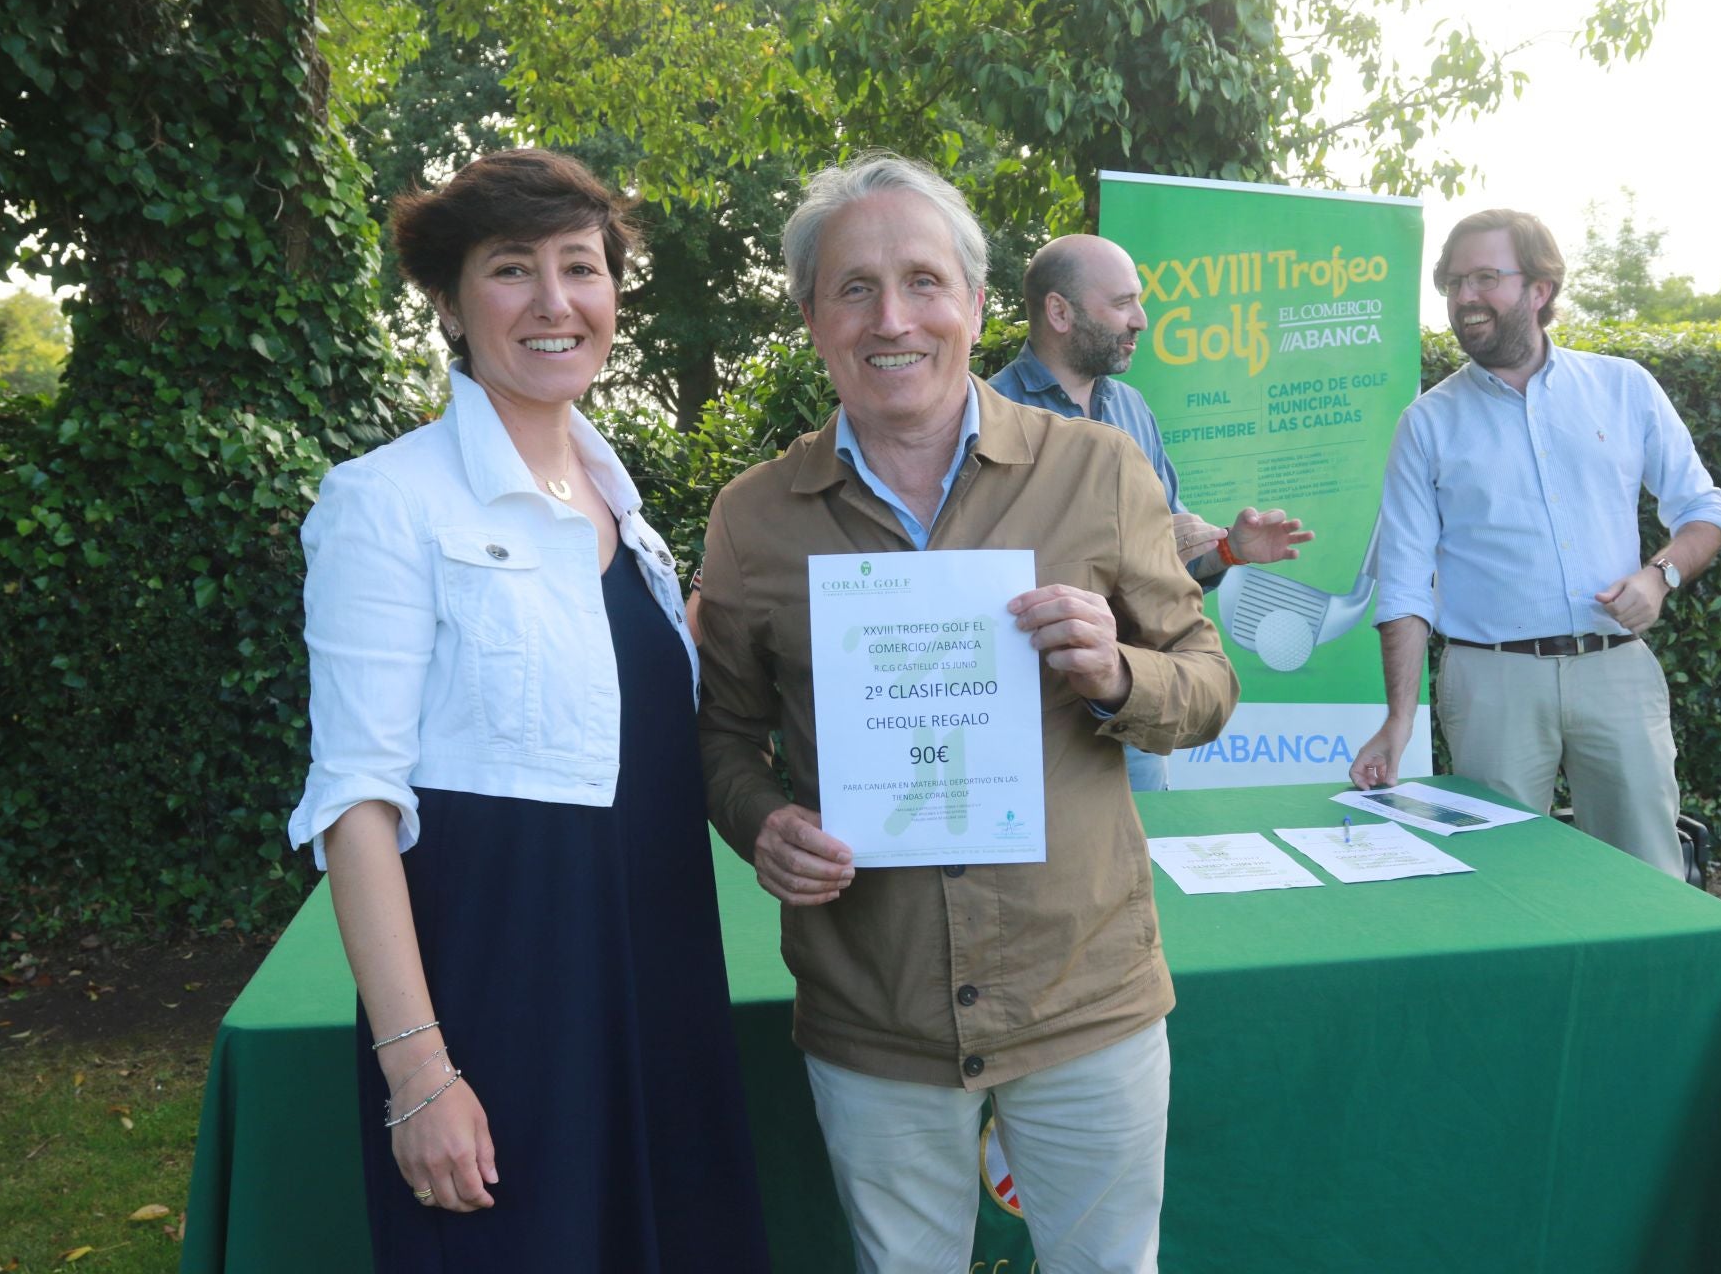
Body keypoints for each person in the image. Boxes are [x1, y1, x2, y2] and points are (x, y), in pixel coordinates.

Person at [694, 154, 1237, 1273]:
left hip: (1082, 990)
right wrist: (761, 823)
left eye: (925, 282)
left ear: (978, 304)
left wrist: (1119, 673)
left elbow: (1206, 679)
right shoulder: (754, 519)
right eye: (854, 288)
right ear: (811, 318)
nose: (893, 319)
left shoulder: (1099, 468)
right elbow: (720, 736)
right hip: (872, 1006)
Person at [286, 148, 768, 1270]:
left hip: (658, 980)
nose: (556, 303)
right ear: (452, 303)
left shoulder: (629, 514)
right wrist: (418, 1070)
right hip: (506, 1001)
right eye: (512, 270)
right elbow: (355, 800)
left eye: (581, 268)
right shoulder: (385, 501)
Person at [1349, 208, 1721, 875]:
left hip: (1616, 671)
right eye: (1453, 282)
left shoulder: (1624, 387)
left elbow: (1706, 513)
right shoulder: (1426, 425)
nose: (1465, 297)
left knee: (1646, 878)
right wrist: (1397, 721)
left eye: (1484, 278)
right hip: (1488, 681)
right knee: (1498, 885)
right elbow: (1406, 585)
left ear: (1539, 289)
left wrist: (1659, 576)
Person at [988, 233, 1312, 789]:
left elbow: (1161, 568)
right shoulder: (993, 415)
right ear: (1059, 312)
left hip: (1135, 705)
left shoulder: (1131, 408)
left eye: (1138, 301)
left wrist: (1227, 551)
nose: (1140, 319)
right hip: (1035, 721)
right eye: (1122, 303)